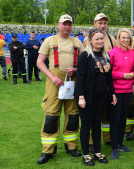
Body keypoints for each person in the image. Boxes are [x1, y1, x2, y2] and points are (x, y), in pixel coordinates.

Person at [36, 14, 85, 164]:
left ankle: (71, 147)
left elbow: (85, 64)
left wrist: (76, 70)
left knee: (73, 115)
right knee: (51, 115)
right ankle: (48, 150)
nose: (67, 27)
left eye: (69, 24)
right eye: (64, 24)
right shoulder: (50, 41)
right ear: (58, 25)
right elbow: (39, 62)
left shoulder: (77, 42)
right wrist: (52, 77)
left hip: (72, 83)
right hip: (54, 82)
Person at [76, 28, 116, 166]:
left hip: (101, 97)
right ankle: (86, 154)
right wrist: (81, 96)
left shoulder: (106, 56)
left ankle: (98, 152)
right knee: (86, 125)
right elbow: (80, 78)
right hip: (87, 97)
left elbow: (109, 78)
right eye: (97, 39)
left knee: (97, 125)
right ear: (91, 41)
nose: (100, 41)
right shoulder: (85, 56)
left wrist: (112, 93)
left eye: (101, 38)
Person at [83, 13, 116, 151]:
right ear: (95, 24)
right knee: (92, 116)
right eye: (100, 23)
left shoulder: (113, 39)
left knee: (106, 113)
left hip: (107, 79)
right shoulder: (87, 40)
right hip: (92, 84)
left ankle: (107, 138)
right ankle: (90, 142)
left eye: (105, 23)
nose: (103, 25)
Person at [108, 29, 134, 159]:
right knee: (115, 119)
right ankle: (114, 147)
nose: (126, 40)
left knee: (123, 119)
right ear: (119, 38)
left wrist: (133, 75)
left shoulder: (133, 54)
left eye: (128, 38)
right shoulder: (112, 53)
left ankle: (120, 144)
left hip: (128, 91)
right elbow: (108, 73)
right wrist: (123, 75)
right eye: (123, 37)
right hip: (116, 91)